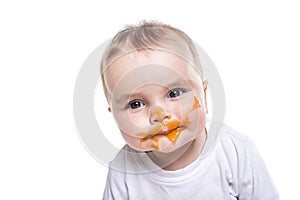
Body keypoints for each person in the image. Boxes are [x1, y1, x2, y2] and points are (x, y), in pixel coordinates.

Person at [100, 21, 278, 199]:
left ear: (204, 95)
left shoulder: (235, 152)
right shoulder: (123, 171)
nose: (159, 115)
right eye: (136, 104)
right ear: (114, 115)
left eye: (174, 93)